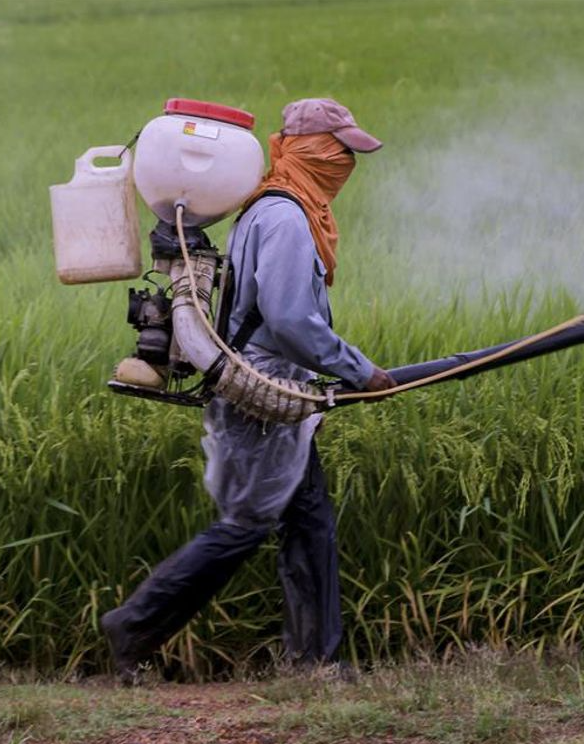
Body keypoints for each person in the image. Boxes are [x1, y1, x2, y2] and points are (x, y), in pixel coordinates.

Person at [101, 98, 395, 685]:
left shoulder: (273, 208)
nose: (346, 165)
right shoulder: (285, 217)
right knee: (245, 524)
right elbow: (289, 320)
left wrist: (314, 390)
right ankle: (133, 626)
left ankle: (318, 661)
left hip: (277, 395)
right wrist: (359, 371)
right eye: (340, 152)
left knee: (308, 522)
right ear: (309, 149)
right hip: (260, 400)